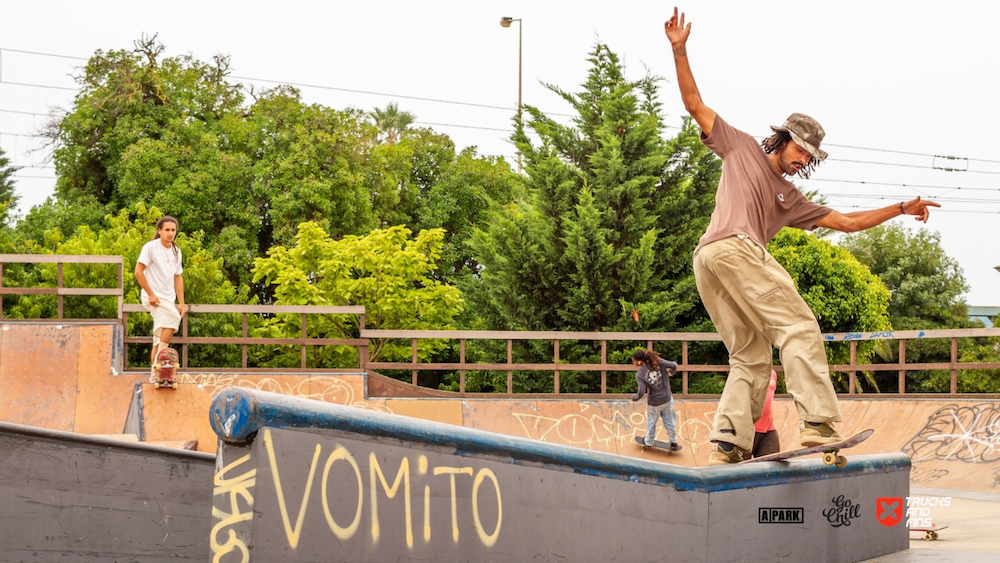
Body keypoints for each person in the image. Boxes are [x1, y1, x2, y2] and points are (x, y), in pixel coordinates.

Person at [664, 7, 941, 465]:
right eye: (799, 150)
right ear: (782, 138)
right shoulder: (741, 146)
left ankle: (729, 442)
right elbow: (695, 104)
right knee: (798, 326)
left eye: (810, 157)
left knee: (751, 356)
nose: (803, 161)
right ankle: (818, 426)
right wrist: (680, 49)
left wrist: (900, 208)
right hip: (731, 249)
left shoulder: (792, 199)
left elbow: (848, 223)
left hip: (709, 261)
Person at [134, 216, 186, 380]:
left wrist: (181, 302)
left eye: (173, 230)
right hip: (153, 297)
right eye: (167, 230)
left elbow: (178, 277)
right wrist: (150, 293)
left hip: (168, 299)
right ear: (159, 230)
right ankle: (158, 362)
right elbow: (138, 272)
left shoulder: (176, 252)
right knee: (173, 318)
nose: (171, 233)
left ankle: (153, 374)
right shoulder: (150, 248)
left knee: (158, 339)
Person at [631, 349, 680, 451]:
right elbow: (674, 365)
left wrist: (635, 398)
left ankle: (648, 441)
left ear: (639, 361)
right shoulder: (658, 361)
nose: (633, 363)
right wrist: (671, 372)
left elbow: (641, 392)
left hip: (654, 403)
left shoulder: (640, 374)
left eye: (634, 361)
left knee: (651, 421)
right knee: (669, 420)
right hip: (667, 399)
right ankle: (673, 441)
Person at [752, 370, 780, 458]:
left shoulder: (772, 374)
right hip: (747, 427)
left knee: (772, 465)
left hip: (768, 428)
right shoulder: (747, 369)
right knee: (738, 467)